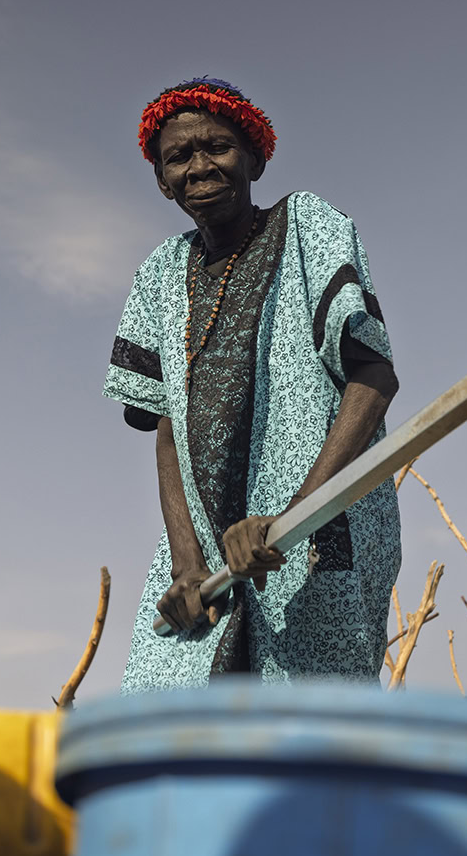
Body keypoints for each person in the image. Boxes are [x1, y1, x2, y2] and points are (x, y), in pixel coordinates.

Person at [104, 78, 402, 692]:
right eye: (179, 157)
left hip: (318, 534)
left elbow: (373, 376)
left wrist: (294, 519)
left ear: (256, 158)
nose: (199, 166)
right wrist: (188, 563)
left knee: (311, 732)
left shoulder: (309, 227)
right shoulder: (159, 273)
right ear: (162, 181)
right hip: (205, 562)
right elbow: (164, 425)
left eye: (218, 147)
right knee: (172, 726)